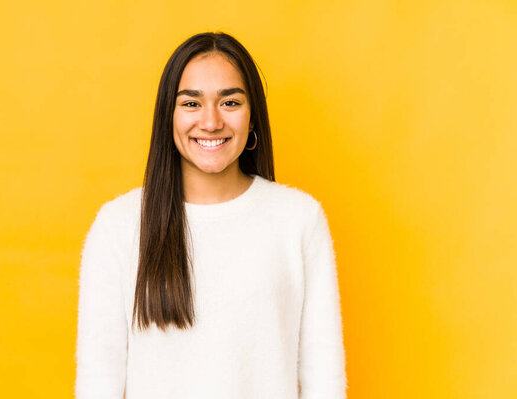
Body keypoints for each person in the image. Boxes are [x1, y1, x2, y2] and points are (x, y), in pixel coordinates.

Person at [75, 32, 347, 399]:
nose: (211, 121)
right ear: (167, 116)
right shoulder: (118, 227)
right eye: (191, 104)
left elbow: (323, 379)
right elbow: (98, 382)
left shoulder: (299, 220)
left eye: (230, 102)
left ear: (253, 118)